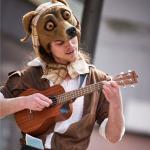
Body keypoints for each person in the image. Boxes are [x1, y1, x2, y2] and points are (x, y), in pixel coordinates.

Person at [0, 0, 125, 150]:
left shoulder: (98, 79)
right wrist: (25, 102)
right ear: (47, 48)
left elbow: (114, 137)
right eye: (60, 42)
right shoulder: (31, 75)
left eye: (72, 37)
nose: (70, 45)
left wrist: (116, 104)